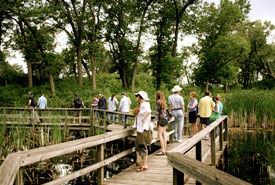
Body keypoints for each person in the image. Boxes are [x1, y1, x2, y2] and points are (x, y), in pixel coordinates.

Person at [132, 91, 151, 172]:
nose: (136, 97)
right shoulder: (142, 104)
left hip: (143, 129)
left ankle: (145, 165)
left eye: (137, 96)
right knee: (140, 145)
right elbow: (138, 117)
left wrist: (143, 119)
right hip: (141, 128)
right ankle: (143, 164)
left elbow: (148, 112)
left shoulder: (144, 104)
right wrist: (134, 125)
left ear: (140, 97)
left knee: (143, 146)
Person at [154, 91, 169, 156]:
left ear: (157, 95)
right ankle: (164, 149)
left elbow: (157, 112)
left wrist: (155, 120)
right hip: (166, 119)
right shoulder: (163, 102)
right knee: (164, 134)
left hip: (162, 119)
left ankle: (163, 150)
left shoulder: (158, 102)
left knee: (159, 135)